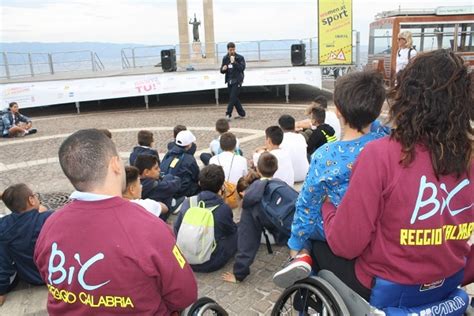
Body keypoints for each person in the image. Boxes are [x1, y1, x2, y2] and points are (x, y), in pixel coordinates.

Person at [315, 50, 473, 307]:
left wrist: (327, 208)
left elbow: (346, 245)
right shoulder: (469, 158)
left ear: (407, 98)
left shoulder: (381, 155)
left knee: (314, 245)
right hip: (447, 282)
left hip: (385, 286)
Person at [34, 129, 197, 315]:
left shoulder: (50, 226)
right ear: (115, 165)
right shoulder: (149, 227)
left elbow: (46, 275)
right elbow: (185, 294)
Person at [273, 70, 388, 288]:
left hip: (341, 227)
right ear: (378, 110)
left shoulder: (326, 156)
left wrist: (295, 242)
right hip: (379, 224)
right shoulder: (386, 141)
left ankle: (302, 254)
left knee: (307, 214)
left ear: (338, 111)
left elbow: (307, 204)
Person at [222, 152, 292, 283]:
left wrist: (239, 274)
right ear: (276, 168)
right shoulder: (282, 184)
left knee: (244, 229)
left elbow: (247, 241)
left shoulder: (252, 198)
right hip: (290, 232)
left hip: (273, 235)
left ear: (258, 169)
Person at [174, 164, 238, 273]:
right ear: (222, 186)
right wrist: (224, 202)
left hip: (185, 259)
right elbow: (230, 231)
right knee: (239, 230)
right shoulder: (223, 208)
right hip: (210, 262)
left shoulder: (188, 202)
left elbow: (177, 228)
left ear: (199, 183)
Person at [0, 184, 52, 306]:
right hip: (52, 275)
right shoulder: (47, 219)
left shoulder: (4, 226)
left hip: (29, 276)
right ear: (31, 200)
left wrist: (1, 291)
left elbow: (3, 262)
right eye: (35, 195)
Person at [134, 155, 181, 219]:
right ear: (146, 172)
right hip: (160, 216)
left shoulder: (135, 181)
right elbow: (173, 186)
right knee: (168, 180)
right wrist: (177, 179)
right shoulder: (153, 185)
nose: (159, 170)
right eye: (156, 168)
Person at [161, 130, 200, 198]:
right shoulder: (189, 159)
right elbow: (196, 176)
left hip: (167, 188)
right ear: (188, 145)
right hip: (181, 192)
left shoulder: (169, 154)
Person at [278, 114, 309, 182]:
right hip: (304, 174)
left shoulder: (280, 140)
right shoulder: (301, 137)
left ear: (280, 126)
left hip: (289, 177)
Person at [220, 42, 246, 120]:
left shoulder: (240, 57)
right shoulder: (225, 58)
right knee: (234, 98)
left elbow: (242, 68)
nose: (232, 51)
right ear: (228, 50)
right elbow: (222, 70)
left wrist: (234, 62)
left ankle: (228, 114)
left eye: (233, 49)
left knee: (232, 98)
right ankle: (242, 113)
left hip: (237, 80)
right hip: (229, 80)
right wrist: (223, 69)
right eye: (230, 50)